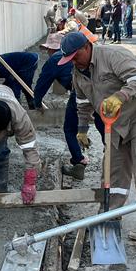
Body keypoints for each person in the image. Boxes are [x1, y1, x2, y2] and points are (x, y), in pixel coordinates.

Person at [58, 30, 136, 242]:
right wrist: (82, 128)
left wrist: (120, 96)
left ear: (86, 47)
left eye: (75, 57)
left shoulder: (113, 55)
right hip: (116, 127)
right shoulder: (77, 73)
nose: (74, 63)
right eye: (69, 60)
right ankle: (110, 216)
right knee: (112, 173)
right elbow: (82, 102)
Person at [33, 51, 104, 180]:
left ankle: (78, 163)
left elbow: (42, 83)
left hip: (80, 92)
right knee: (101, 122)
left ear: (50, 50)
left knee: (70, 129)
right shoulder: (80, 54)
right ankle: (113, 154)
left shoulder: (54, 60)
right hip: (99, 90)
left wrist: (37, 103)